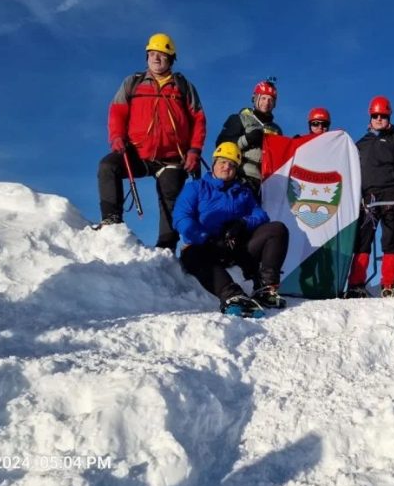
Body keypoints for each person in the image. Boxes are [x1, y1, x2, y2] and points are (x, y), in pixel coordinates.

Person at [97, 32, 206, 250]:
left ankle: (166, 247)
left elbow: (198, 119)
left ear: (171, 59)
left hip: (172, 158)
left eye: (162, 55)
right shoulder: (133, 82)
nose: (156, 58)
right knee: (108, 166)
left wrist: (194, 150)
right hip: (136, 153)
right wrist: (116, 137)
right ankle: (111, 220)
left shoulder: (183, 87)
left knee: (170, 197)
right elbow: (117, 112)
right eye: (152, 54)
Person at [173, 142, 290, 317]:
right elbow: (181, 218)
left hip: (236, 248)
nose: (227, 167)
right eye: (223, 162)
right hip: (206, 247)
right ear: (214, 164)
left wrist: (242, 223)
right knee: (192, 254)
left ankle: (265, 288)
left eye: (232, 165)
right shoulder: (196, 188)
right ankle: (232, 295)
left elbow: (261, 215)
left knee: (277, 229)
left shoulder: (243, 192)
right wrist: (205, 237)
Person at [343, 96, 394, 298]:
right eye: (375, 115)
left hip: (392, 196)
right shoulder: (361, 143)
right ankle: (356, 283)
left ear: (389, 116)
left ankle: (387, 283)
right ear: (370, 116)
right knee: (362, 241)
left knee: (390, 240)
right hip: (368, 197)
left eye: (383, 115)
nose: (379, 119)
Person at [215, 78, 284, 197]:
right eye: (263, 98)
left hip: (267, 181)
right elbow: (221, 144)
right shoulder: (240, 119)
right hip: (242, 175)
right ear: (255, 98)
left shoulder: (276, 130)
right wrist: (247, 140)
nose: (266, 103)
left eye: (270, 100)